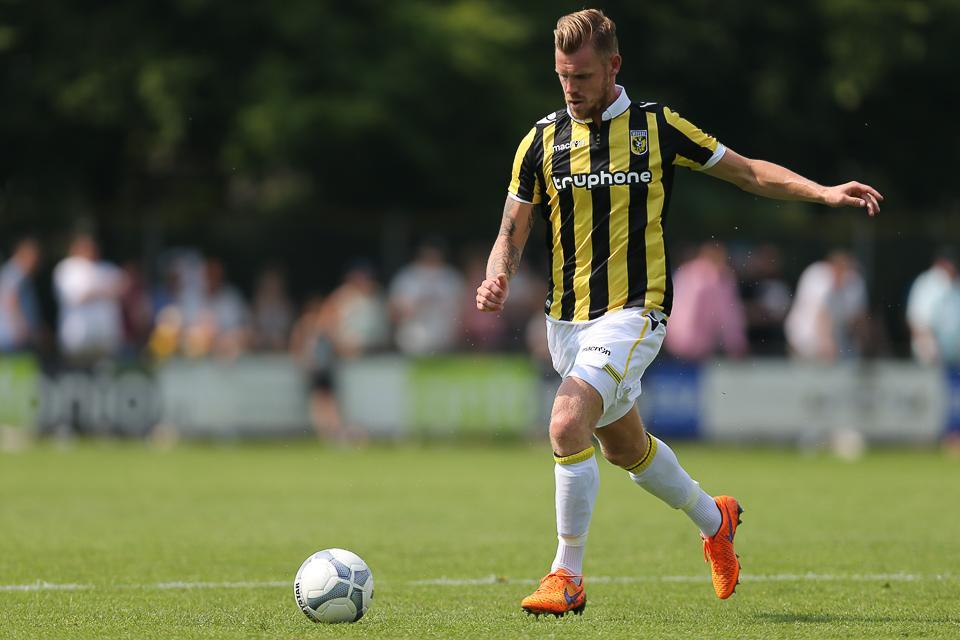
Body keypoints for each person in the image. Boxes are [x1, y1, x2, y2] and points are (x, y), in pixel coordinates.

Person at [475, 9, 883, 616]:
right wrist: (498, 274)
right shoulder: (540, 140)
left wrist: (821, 192)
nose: (571, 88)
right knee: (625, 450)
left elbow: (748, 172)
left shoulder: (657, 127)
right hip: (566, 323)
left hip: (634, 312)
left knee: (565, 423)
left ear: (613, 65)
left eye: (582, 76)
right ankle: (715, 520)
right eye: (562, 76)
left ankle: (567, 575)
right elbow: (512, 227)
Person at [663, 242, 748, 361]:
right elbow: (727, 313)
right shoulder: (718, 277)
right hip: (696, 344)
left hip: (672, 337)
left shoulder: (685, 271)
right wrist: (735, 343)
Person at [53, 232, 125, 363]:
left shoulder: (106, 267)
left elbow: (123, 288)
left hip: (105, 336)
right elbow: (78, 296)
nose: (89, 251)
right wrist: (103, 290)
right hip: (78, 336)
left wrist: (99, 291)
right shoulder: (68, 268)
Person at [784, 251, 869, 361]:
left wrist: (863, 347)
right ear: (834, 268)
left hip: (834, 344)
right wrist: (826, 344)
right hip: (802, 340)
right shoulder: (816, 275)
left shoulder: (854, 282)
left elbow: (858, 318)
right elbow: (823, 314)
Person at [906, 250, 960, 365]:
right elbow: (917, 319)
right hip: (930, 348)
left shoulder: (956, 282)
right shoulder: (927, 283)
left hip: (954, 350)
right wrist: (928, 346)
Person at [0, 237, 42, 353]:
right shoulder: (15, 272)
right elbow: (10, 299)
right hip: (13, 336)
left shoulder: (16, 272)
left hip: (13, 336)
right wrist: (20, 327)